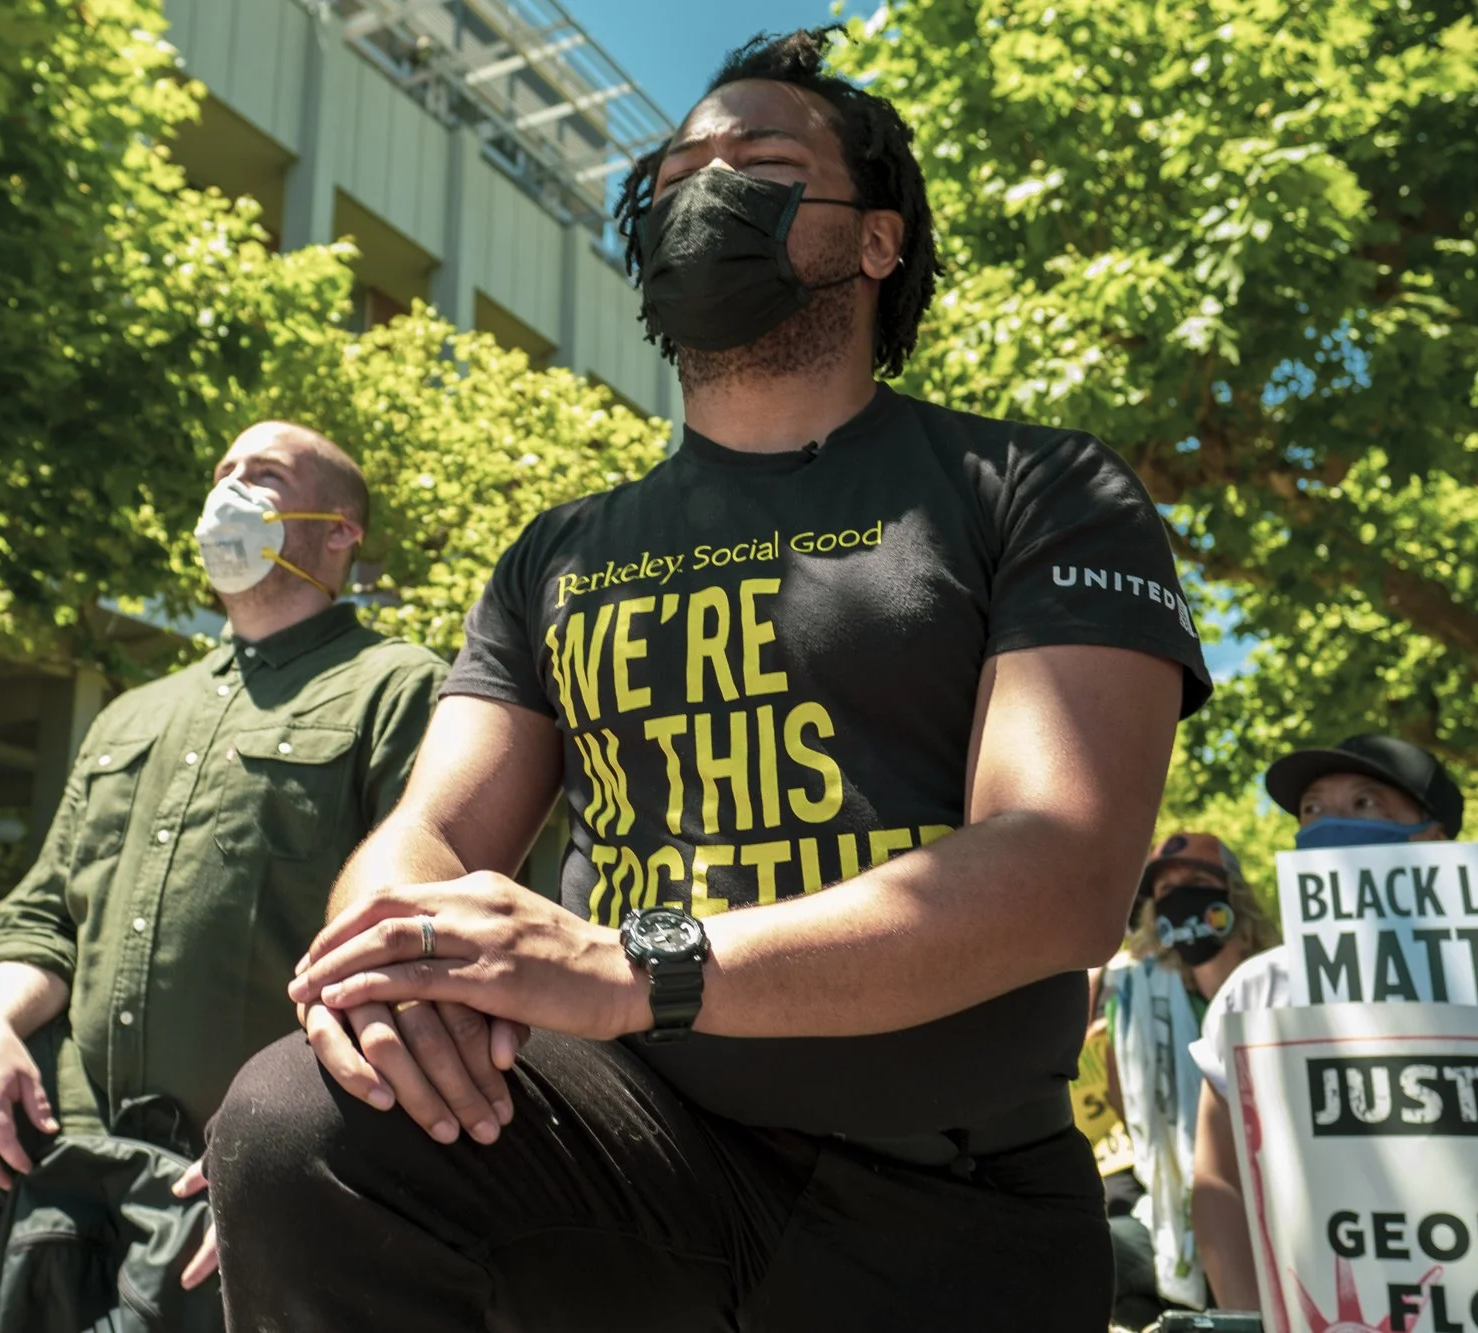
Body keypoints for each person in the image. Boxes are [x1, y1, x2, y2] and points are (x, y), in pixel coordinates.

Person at [204, 28, 1212, 1333]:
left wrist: (642, 965)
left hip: (948, 1215)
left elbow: (1061, 871)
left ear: (876, 239)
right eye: (681, 167)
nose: (709, 184)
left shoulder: (1037, 491)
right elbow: (432, 831)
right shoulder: (554, 553)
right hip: (633, 1158)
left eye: (764, 158)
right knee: (300, 1115)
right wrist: (380, 1000)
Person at [0, 422, 449, 1333]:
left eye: (264, 476)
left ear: (340, 531)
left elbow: (414, 951)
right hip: (65, 1117)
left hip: (236, 1149)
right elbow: (45, 914)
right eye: (222, 474)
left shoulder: (400, 688)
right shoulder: (133, 712)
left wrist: (288, 1144)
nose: (229, 493)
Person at [1185, 735, 1478, 1306]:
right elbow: (1219, 1184)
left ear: (1434, 836)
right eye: (1312, 807)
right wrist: (1248, 1316)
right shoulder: (1261, 990)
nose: (1330, 824)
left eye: (1366, 803)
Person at [1103, 832, 1276, 1325]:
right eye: (1166, 889)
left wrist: (1219, 973)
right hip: (1163, 1211)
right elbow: (1127, 1101)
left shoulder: (1273, 981)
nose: (1180, 896)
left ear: (1233, 896)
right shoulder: (1131, 995)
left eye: (1196, 883)